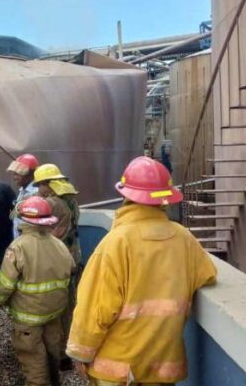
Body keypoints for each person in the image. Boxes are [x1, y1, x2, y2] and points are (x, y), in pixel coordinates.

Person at [67, 156, 217, 385]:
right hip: (162, 366)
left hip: (117, 371)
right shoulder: (184, 239)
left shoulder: (115, 243)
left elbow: (94, 309)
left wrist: (80, 353)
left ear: (125, 196)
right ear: (164, 200)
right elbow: (207, 275)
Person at [0, 196, 75, 386]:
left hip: (28, 319)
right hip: (54, 314)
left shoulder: (18, 247)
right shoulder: (59, 244)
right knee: (51, 355)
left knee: (34, 364)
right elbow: (70, 270)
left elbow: (5, 285)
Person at [33, 163, 82, 370]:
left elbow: (48, 233)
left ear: (48, 184)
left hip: (57, 259)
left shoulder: (53, 203)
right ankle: (67, 351)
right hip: (73, 257)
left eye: (39, 186)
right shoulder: (71, 201)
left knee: (57, 307)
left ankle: (59, 354)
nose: (38, 190)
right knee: (70, 305)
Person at [7, 154, 40, 239]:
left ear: (31, 174)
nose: (15, 177)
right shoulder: (22, 190)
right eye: (14, 174)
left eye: (19, 174)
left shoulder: (36, 192)